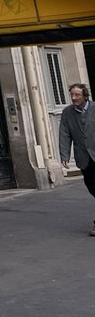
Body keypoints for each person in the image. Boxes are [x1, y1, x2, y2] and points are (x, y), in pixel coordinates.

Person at [58, 82, 95, 235]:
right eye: (72, 95)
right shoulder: (67, 112)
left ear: (84, 96)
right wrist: (65, 155)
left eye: (77, 95)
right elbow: (64, 133)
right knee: (91, 186)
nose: (74, 98)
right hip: (83, 157)